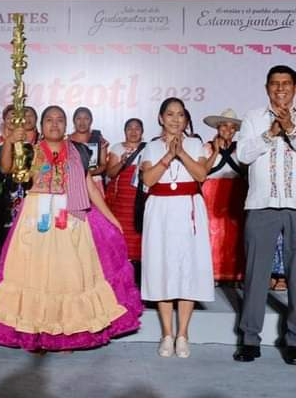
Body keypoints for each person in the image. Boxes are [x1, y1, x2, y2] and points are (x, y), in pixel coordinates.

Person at [0, 105, 141, 351]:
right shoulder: (29, 151)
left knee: (69, 277)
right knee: (36, 275)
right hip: (36, 218)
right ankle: (39, 333)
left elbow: (90, 188)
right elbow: (7, 168)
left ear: (66, 126)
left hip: (71, 218)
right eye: (49, 120)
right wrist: (10, 140)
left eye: (60, 120)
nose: (54, 124)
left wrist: (111, 218)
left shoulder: (79, 152)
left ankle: (68, 333)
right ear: (41, 126)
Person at [234, 65, 296, 365]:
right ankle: (249, 339)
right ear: (267, 87)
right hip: (262, 203)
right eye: (275, 84)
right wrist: (270, 133)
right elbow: (243, 155)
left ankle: (295, 340)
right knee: (256, 274)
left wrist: (291, 129)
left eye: (286, 83)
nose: (280, 88)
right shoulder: (253, 118)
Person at [140, 97, 214, 359]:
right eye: (169, 114)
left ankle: (183, 334)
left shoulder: (195, 144)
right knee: (161, 267)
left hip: (188, 208)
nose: (175, 119)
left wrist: (180, 152)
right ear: (161, 118)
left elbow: (201, 175)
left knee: (187, 269)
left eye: (180, 115)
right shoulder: (150, 147)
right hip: (160, 210)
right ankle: (167, 334)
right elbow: (148, 179)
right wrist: (167, 156)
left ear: (186, 119)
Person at [200, 109, 248, 285]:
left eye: (232, 127)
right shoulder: (206, 147)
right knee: (212, 233)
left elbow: (245, 172)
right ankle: (212, 274)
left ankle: (234, 275)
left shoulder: (240, 149)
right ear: (218, 127)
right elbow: (202, 172)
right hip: (212, 194)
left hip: (235, 193)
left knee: (235, 234)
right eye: (225, 125)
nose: (228, 130)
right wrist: (216, 151)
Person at [104, 118, 146, 267]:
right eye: (130, 128)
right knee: (121, 231)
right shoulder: (117, 148)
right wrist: (121, 163)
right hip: (121, 200)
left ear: (142, 131)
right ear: (125, 131)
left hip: (141, 199)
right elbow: (110, 173)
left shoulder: (148, 148)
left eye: (137, 128)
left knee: (139, 230)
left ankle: (139, 267)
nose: (133, 131)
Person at [69, 107, 108, 180]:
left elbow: (103, 165)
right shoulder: (67, 141)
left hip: (94, 181)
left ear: (91, 121)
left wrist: (90, 173)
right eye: (78, 118)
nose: (82, 122)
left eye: (86, 118)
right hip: (72, 180)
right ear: (74, 121)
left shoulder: (98, 139)